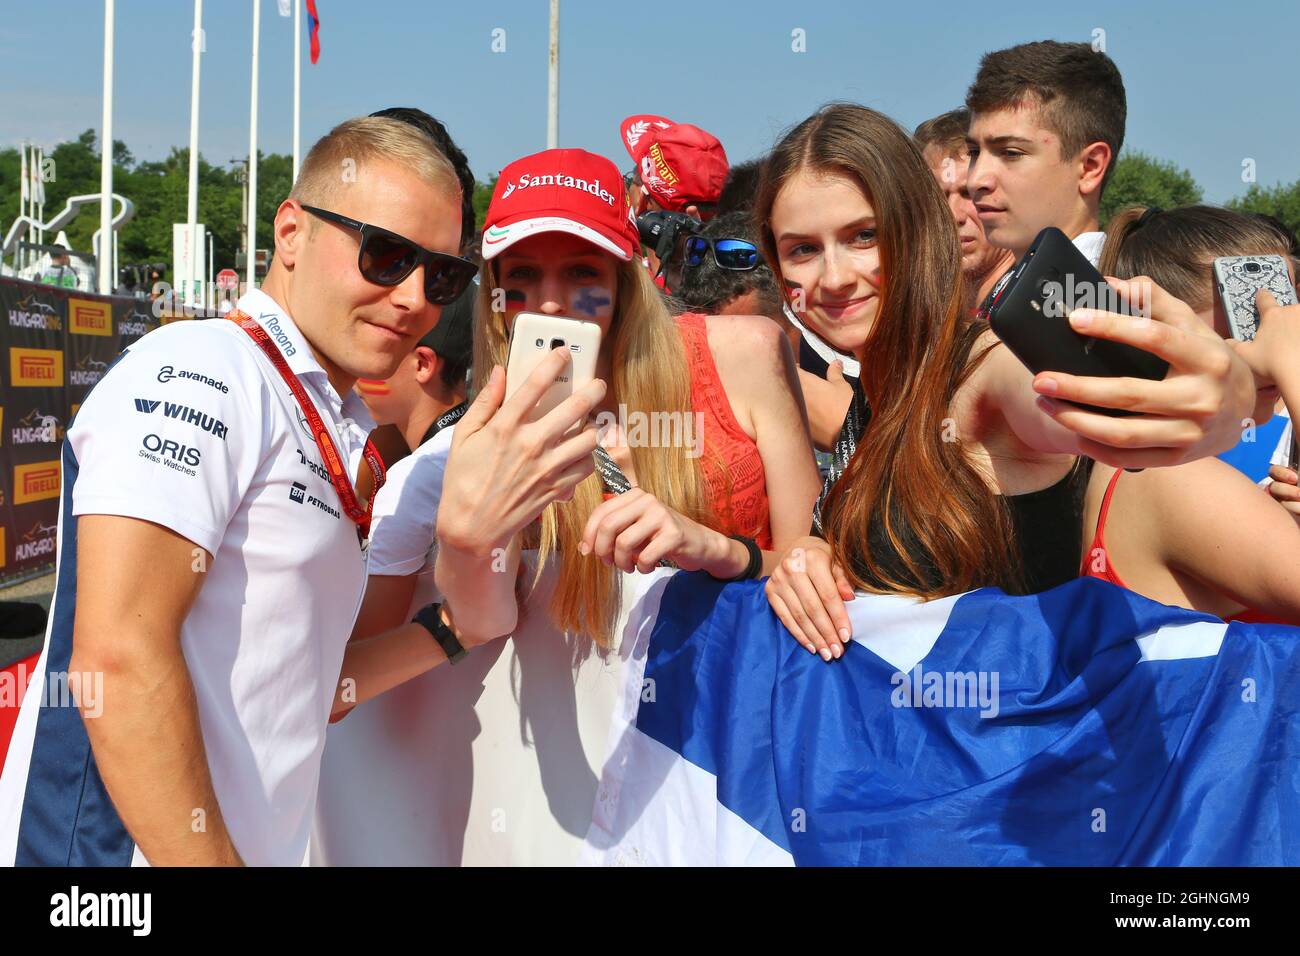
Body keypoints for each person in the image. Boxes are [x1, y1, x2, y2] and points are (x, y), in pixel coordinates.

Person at [0, 116, 478, 866]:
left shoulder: (327, 416)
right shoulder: (203, 367)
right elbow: (118, 660)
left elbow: (305, 688)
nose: (413, 297)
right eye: (386, 255)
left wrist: (454, 631)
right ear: (291, 232)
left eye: (442, 275)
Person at [751, 103, 1257, 661]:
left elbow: (1052, 396)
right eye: (802, 249)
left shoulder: (981, 368)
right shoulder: (877, 392)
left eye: (863, 235)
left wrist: (1214, 397)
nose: (835, 276)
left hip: (1027, 743)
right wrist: (809, 555)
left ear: (918, 230)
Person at [439, 146, 820, 648]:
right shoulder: (484, 436)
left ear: (627, 279)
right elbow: (482, 622)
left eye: (582, 272)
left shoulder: (746, 351)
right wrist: (469, 532)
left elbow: (812, 568)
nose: (550, 300)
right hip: (588, 718)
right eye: (523, 276)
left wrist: (713, 549)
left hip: (743, 696)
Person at [1074, 204, 1300, 623]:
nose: (1272, 338)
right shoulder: (1167, 473)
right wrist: (1293, 363)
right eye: (1250, 320)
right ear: (1161, 331)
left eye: (1287, 310)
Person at [966, 40, 1127, 270]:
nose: (976, 180)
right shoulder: (1009, 291)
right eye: (974, 152)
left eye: (1011, 153)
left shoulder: (1106, 301)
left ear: (1090, 166)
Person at [914, 108, 1015, 313]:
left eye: (969, 193)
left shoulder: (1046, 303)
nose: (953, 215)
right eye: (939, 197)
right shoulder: (928, 313)